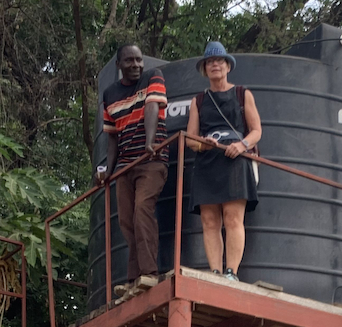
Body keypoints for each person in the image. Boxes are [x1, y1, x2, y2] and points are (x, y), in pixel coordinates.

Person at [184, 41, 262, 281]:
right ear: (205, 69)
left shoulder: (242, 93)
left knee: (232, 217)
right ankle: (215, 272)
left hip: (235, 161)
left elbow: (256, 130)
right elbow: (190, 140)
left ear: (228, 66)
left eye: (219, 61)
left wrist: (241, 145)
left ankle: (232, 272)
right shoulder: (198, 101)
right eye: (209, 62)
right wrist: (203, 144)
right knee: (209, 220)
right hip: (208, 163)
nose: (215, 65)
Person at [101, 44, 168, 285]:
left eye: (139, 59)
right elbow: (112, 137)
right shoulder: (109, 94)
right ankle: (133, 277)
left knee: (142, 211)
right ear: (118, 65)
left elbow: (151, 107)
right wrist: (107, 172)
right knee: (126, 221)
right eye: (129, 61)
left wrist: (150, 143)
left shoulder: (154, 76)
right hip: (126, 167)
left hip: (151, 160)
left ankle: (149, 273)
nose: (137, 65)